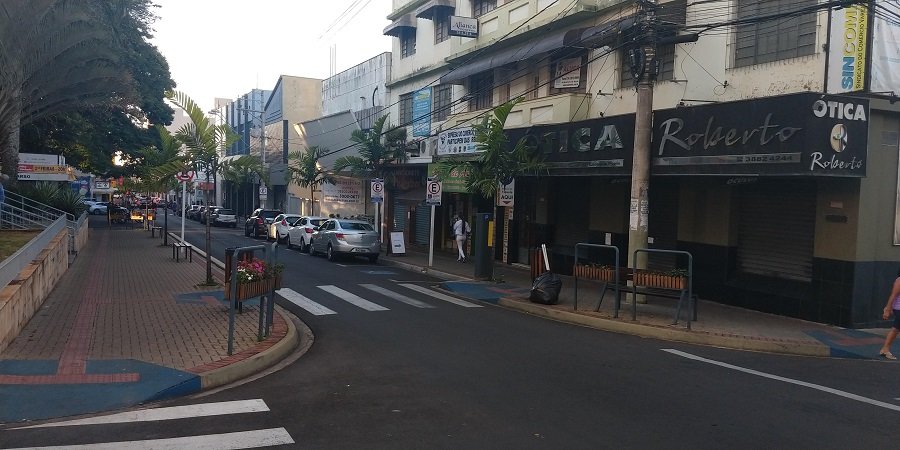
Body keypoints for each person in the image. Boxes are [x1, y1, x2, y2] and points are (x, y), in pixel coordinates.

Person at [879, 270, 900, 360]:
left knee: (896, 329)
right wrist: (888, 308)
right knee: (896, 328)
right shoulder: (899, 280)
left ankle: (885, 349)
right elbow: (893, 295)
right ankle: (885, 349)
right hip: (899, 308)